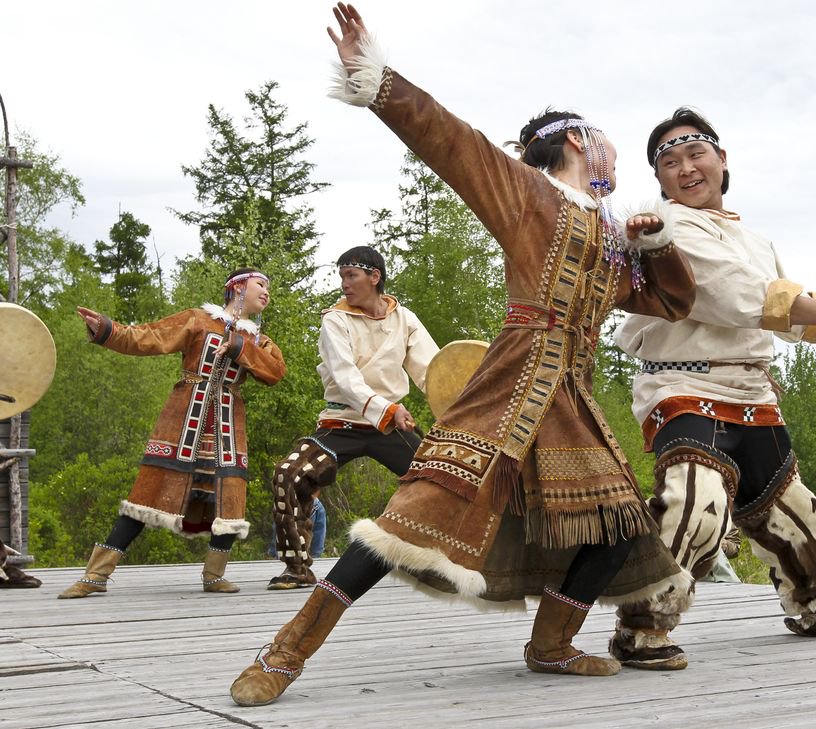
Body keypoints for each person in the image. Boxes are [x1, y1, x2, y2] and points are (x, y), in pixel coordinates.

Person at [228, 3, 698, 706]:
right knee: (408, 519)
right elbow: (452, 142)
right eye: (602, 139)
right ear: (574, 139)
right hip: (508, 386)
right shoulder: (530, 194)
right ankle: (288, 646)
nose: (612, 152)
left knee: (619, 521)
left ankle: (551, 644)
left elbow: (671, 301)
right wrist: (377, 76)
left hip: (570, 399)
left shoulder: (612, 237)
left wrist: (655, 240)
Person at [606, 107, 816, 670]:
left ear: (722, 160)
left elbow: (772, 305)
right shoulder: (669, 230)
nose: (685, 168)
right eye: (669, 162)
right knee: (696, 504)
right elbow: (738, 292)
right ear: (660, 180)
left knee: (794, 513)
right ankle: (640, 627)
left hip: (751, 391)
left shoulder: (754, 238)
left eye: (695, 155)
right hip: (683, 385)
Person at [58, 268, 286, 598]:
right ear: (237, 287)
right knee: (146, 494)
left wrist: (238, 346)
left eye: (268, 286)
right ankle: (95, 575)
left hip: (228, 428)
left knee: (229, 497)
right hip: (181, 424)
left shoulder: (258, 340)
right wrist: (107, 329)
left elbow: (275, 371)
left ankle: (214, 576)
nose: (266, 291)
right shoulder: (197, 320)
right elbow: (148, 337)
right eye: (260, 284)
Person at [266, 245, 438, 590]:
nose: (344, 283)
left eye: (351, 275)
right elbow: (346, 379)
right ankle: (296, 568)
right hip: (340, 423)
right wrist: (386, 409)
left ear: (374, 277)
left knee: (437, 480)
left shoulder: (405, 319)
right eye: (341, 276)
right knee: (290, 473)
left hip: (389, 426)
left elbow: (431, 372)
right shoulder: (334, 320)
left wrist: (455, 407)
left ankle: (437, 559)